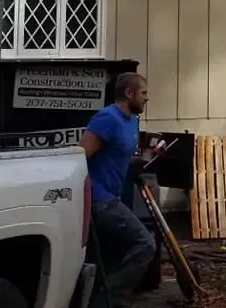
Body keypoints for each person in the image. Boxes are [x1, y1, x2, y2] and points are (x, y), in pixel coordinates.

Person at [80, 72, 156, 308]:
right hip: (99, 199)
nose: (147, 98)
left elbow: (120, 155)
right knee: (145, 245)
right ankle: (108, 302)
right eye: (143, 93)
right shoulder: (106, 119)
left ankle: (101, 298)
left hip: (113, 196)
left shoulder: (132, 120)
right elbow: (79, 158)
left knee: (112, 255)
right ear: (129, 93)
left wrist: (142, 160)